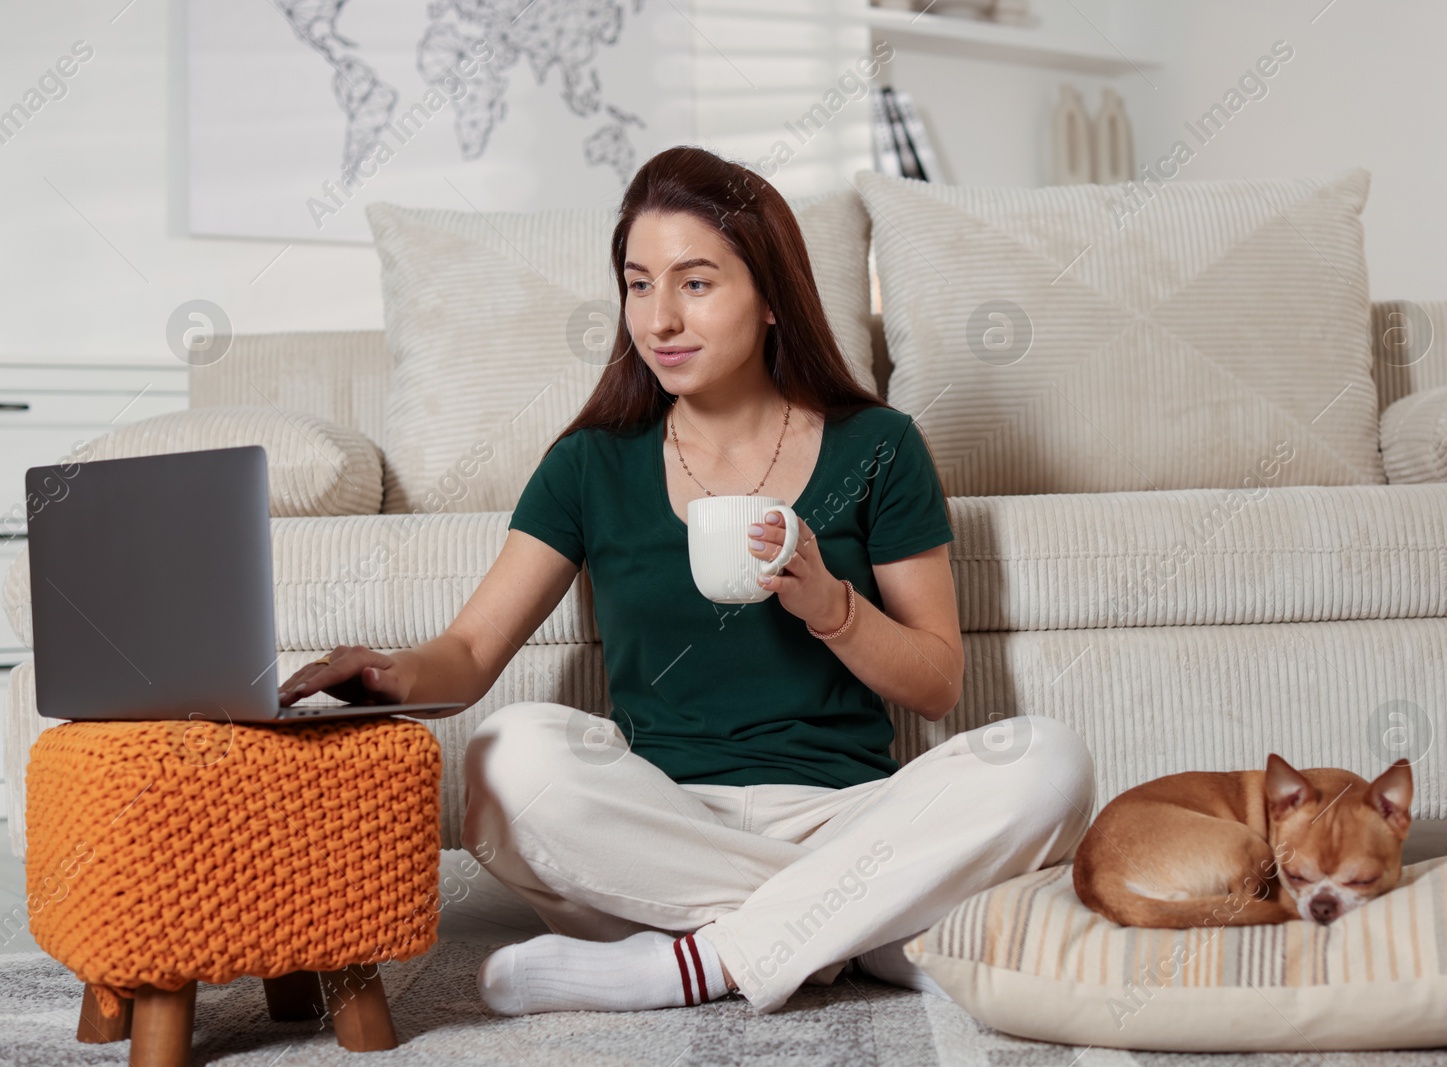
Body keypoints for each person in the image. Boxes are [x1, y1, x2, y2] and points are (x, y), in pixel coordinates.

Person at [276, 145, 1096, 1016]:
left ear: (772, 296)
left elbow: (937, 684)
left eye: (695, 283)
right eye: (638, 284)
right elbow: (473, 650)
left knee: (1049, 761)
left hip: (846, 815)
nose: (659, 318)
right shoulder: (589, 462)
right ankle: (865, 927)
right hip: (658, 822)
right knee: (506, 757)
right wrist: (394, 675)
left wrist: (833, 607)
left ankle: (690, 963)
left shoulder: (879, 447)